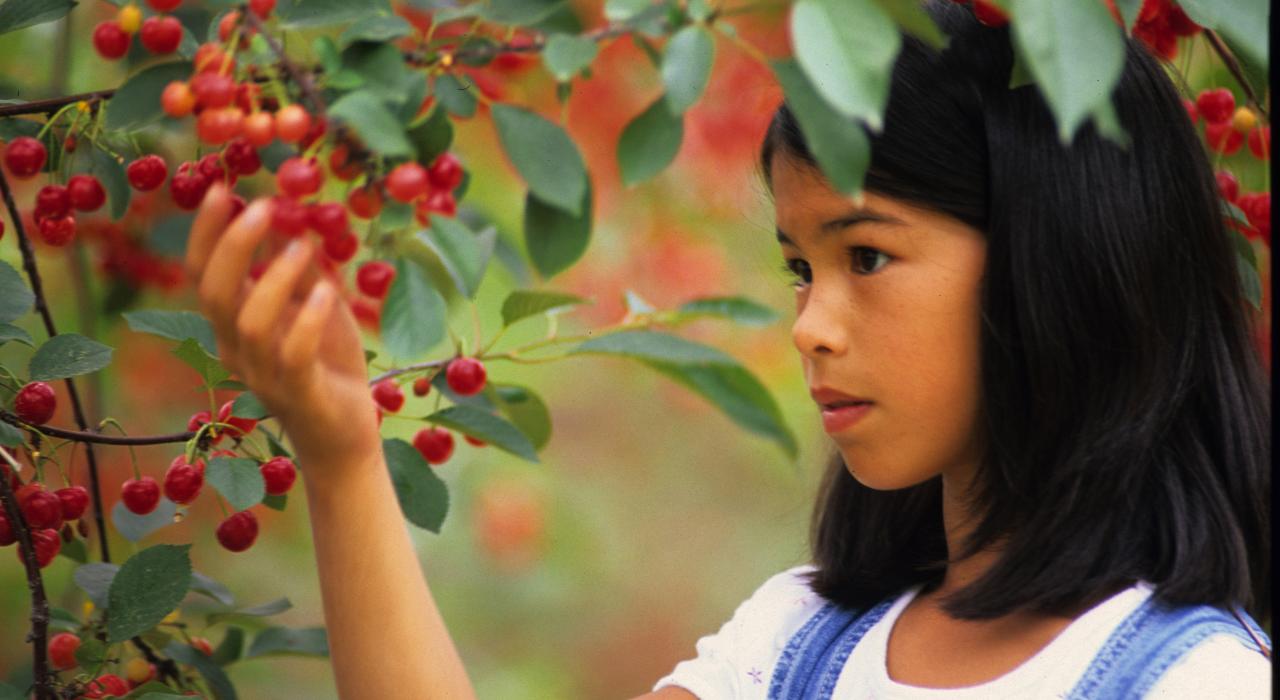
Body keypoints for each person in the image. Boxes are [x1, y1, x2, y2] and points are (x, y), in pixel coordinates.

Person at [183, 1, 1270, 697]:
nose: (810, 324)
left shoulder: (1197, 683)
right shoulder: (799, 645)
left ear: (1060, 261)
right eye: (799, 267)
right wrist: (340, 451)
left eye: (866, 257)